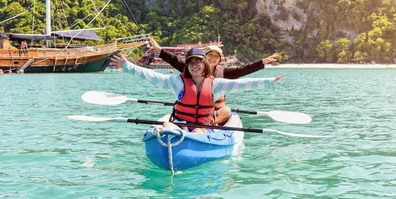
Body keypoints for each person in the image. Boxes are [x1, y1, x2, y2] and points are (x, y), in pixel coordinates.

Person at [110, 49, 285, 133]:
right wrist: (128, 67)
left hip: (202, 127)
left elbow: (243, 84)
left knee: (199, 131)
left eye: (198, 62)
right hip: (181, 123)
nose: (194, 66)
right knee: (167, 127)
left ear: (205, 65)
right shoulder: (176, 82)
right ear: (187, 66)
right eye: (191, 63)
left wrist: (269, 81)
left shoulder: (217, 84)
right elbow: (152, 76)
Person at [148, 37, 279, 125]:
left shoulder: (223, 73)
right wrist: (160, 50)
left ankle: (210, 126)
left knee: (226, 111)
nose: (212, 58)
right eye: (210, 55)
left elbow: (242, 70)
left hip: (213, 113)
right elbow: (174, 60)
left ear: (219, 60)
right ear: (204, 58)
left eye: (216, 56)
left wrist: (261, 63)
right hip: (191, 112)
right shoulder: (191, 68)